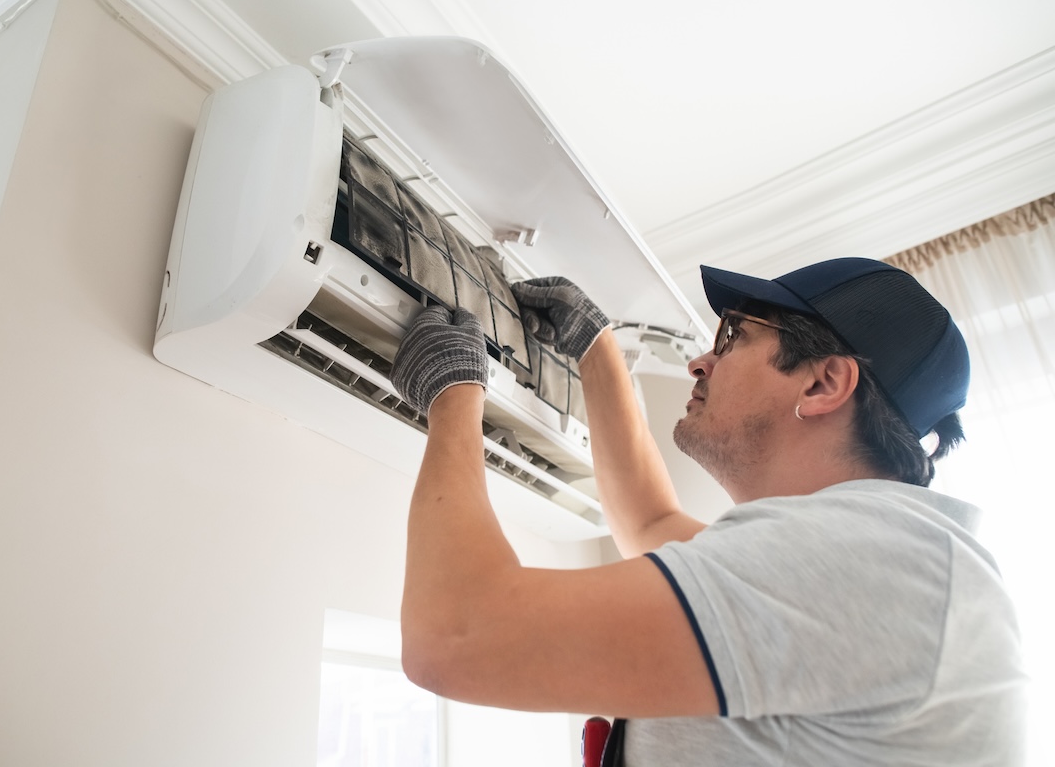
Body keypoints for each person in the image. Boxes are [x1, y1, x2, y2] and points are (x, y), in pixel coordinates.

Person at [388, 258, 1027, 766]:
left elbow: (456, 636)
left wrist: (452, 398)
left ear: (823, 383)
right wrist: (596, 348)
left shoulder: (865, 562)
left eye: (734, 336)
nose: (700, 361)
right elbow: (655, 528)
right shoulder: (894, 558)